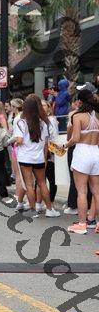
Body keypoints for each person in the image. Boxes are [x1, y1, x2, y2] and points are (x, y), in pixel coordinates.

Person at [13, 94, 60, 218]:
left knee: (29, 184)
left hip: (25, 157)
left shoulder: (21, 122)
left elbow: (19, 140)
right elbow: (46, 142)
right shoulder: (44, 123)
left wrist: (15, 142)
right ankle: (49, 209)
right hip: (39, 157)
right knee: (42, 183)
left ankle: (33, 210)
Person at [63, 89, 99, 235]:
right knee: (97, 191)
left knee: (82, 191)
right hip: (96, 152)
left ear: (79, 101)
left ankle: (82, 224)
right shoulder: (97, 116)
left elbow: (75, 138)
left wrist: (64, 146)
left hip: (82, 153)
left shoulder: (77, 116)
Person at [35, 100, 59, 211]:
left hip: (49, 153)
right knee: (40, 179)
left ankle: (51, 203)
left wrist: (52, 151)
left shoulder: (51, 120)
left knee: (51, 179)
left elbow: (54, 137)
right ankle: (38, 203)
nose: (41, 107)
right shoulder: (37, 120)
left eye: (44, 105)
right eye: (40, 105)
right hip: (38, 153)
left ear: (48, 108)